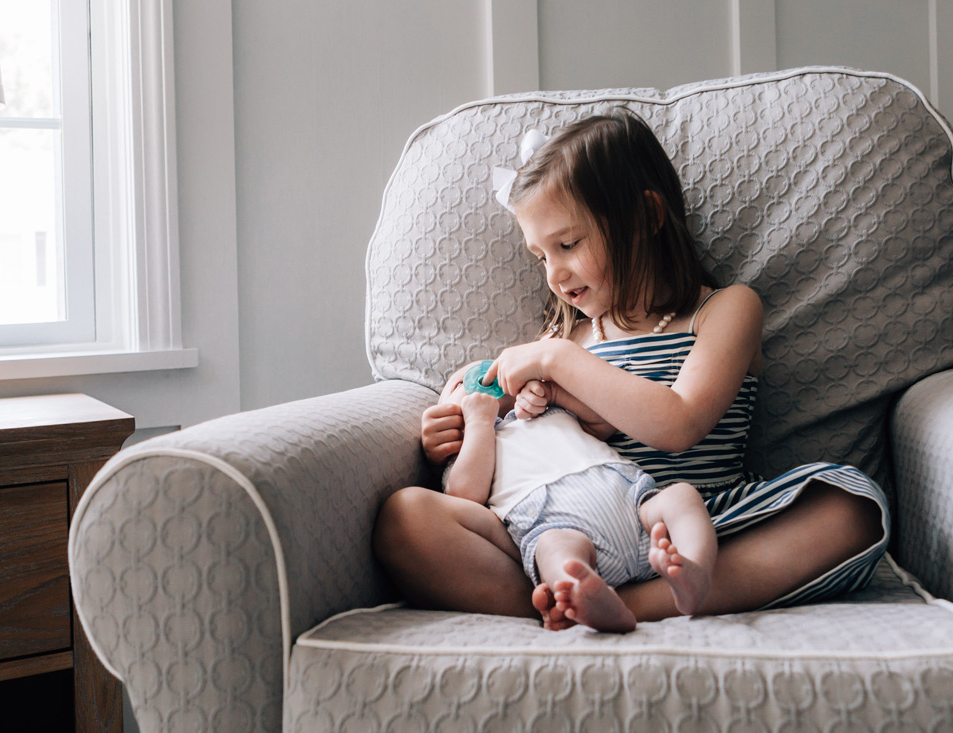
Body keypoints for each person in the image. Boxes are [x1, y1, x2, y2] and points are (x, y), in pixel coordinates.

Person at [374, 110, 889, 630]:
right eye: (540, 257)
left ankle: (626, 599)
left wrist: (558, 360)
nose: (554, 275)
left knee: (853, 511)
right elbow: (493, 404)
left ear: (645, 218)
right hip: (566, 529)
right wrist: (454, 424)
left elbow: (679, 422)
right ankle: (572, 588)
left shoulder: (725, 310)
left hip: (698, 523)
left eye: (568, 245)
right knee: (405, 519)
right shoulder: (567, 335)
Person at [439, 360, 718, 632]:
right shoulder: (468, 450)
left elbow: (605, 421)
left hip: (637, 506)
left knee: (681, 496)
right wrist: (477, 423)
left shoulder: (554, 412)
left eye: (495, 371)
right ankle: (589, 597)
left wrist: (553, 393)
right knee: (554, 548)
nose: (485, 380)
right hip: (562, 528)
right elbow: (465, 494)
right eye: (463, 383)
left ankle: (693, 571)